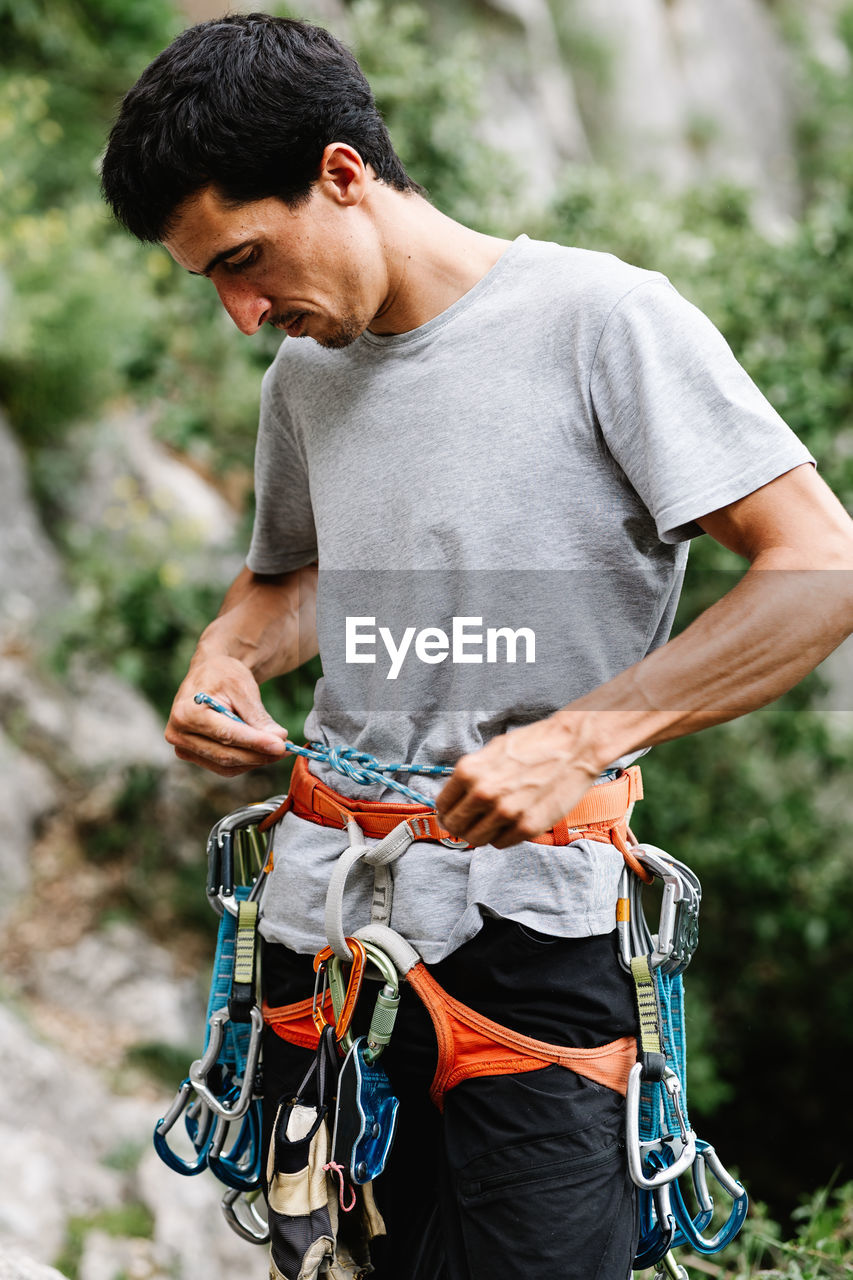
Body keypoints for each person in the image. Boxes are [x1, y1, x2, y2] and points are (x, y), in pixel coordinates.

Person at [101, 14, 853, 1280]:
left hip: (535, 933)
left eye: (245, 257)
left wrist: (582, 736)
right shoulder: (306, 374)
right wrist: (226, 654)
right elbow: (298, 577)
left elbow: (818, 564)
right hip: (323, 932)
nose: (242, 314)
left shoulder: (602, 319)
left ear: (343, 173)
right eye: (210, 281)